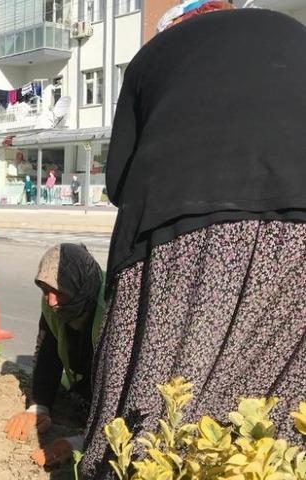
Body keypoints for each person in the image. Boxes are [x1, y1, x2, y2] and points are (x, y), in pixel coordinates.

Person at [80, 8, 306, 479]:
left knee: (158, 385)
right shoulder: (290, 32)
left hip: (192, 227)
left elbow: (120, 179)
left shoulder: (154, 57)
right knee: (278, 396)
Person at [4, 244, 104, 468]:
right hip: (81, 391)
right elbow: (47, 352)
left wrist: (80, 442)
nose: (51, 301)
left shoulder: (112, 307)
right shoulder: (54, 305)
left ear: (80, 285)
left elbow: (119, 387)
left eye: (59, 290)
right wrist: (39, 406)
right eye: (45, 290)